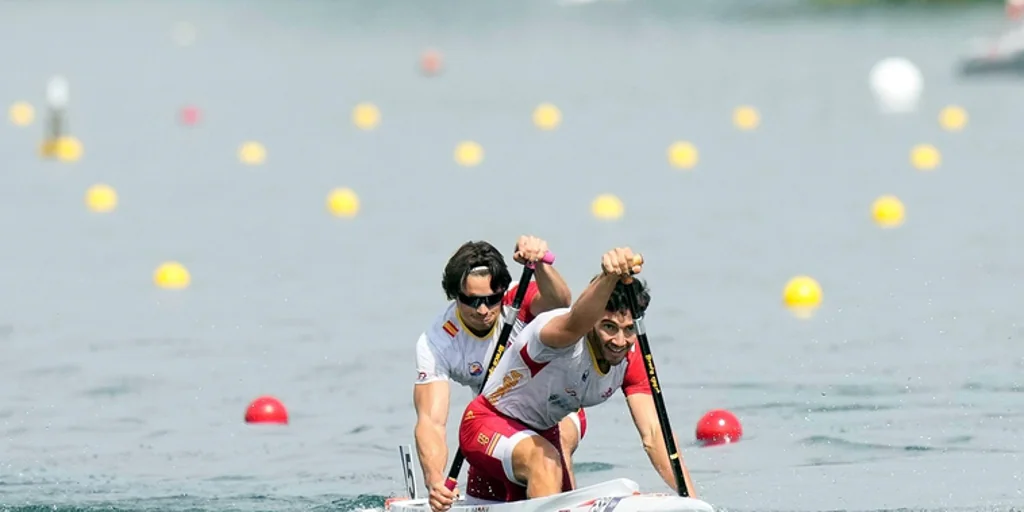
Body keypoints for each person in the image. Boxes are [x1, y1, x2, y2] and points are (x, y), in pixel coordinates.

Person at [457, 247, 698, 502]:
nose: (619, 341)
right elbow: (577, 318)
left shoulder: (632, 356)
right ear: (593, 321)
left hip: (540, 437)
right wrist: (608, 276)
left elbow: (654, 435)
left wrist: (693, 502)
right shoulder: (560, 334)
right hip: (487, 424)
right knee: (546, 461)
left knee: (553, 479)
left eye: (628, 330)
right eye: (608, 326)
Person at [413, 236, 587, 512]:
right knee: (490, 493)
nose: (483, 310)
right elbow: (432, 422)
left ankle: (568, 500)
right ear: (455, 296)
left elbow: (560, 304)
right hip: (497, 420)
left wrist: (541, 264)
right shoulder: (437, 342)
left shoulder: (519, 299)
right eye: (471, 301)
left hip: (554, 407)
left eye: (492, 299)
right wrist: (435, 480)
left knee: (553, 448)